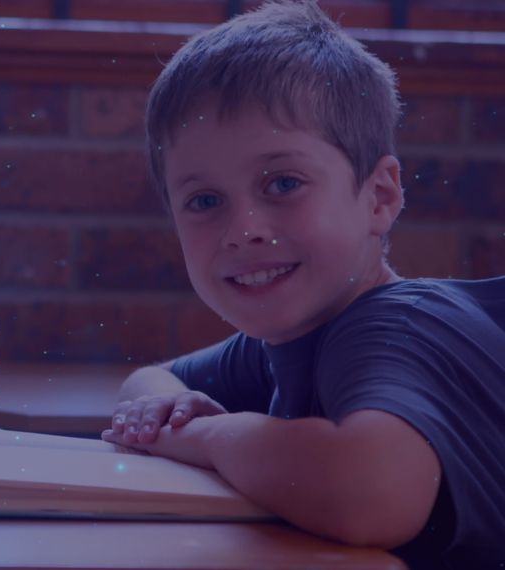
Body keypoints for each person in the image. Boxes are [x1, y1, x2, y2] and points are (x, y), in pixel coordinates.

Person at [100, 1, 505, 568]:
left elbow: (371, 493)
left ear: (380, 196)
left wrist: (208, 437)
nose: (242, 231)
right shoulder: (294, 337)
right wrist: (170, 410)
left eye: (283, 183)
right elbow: (149, 379)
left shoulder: (396, 326)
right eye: (205, 201)